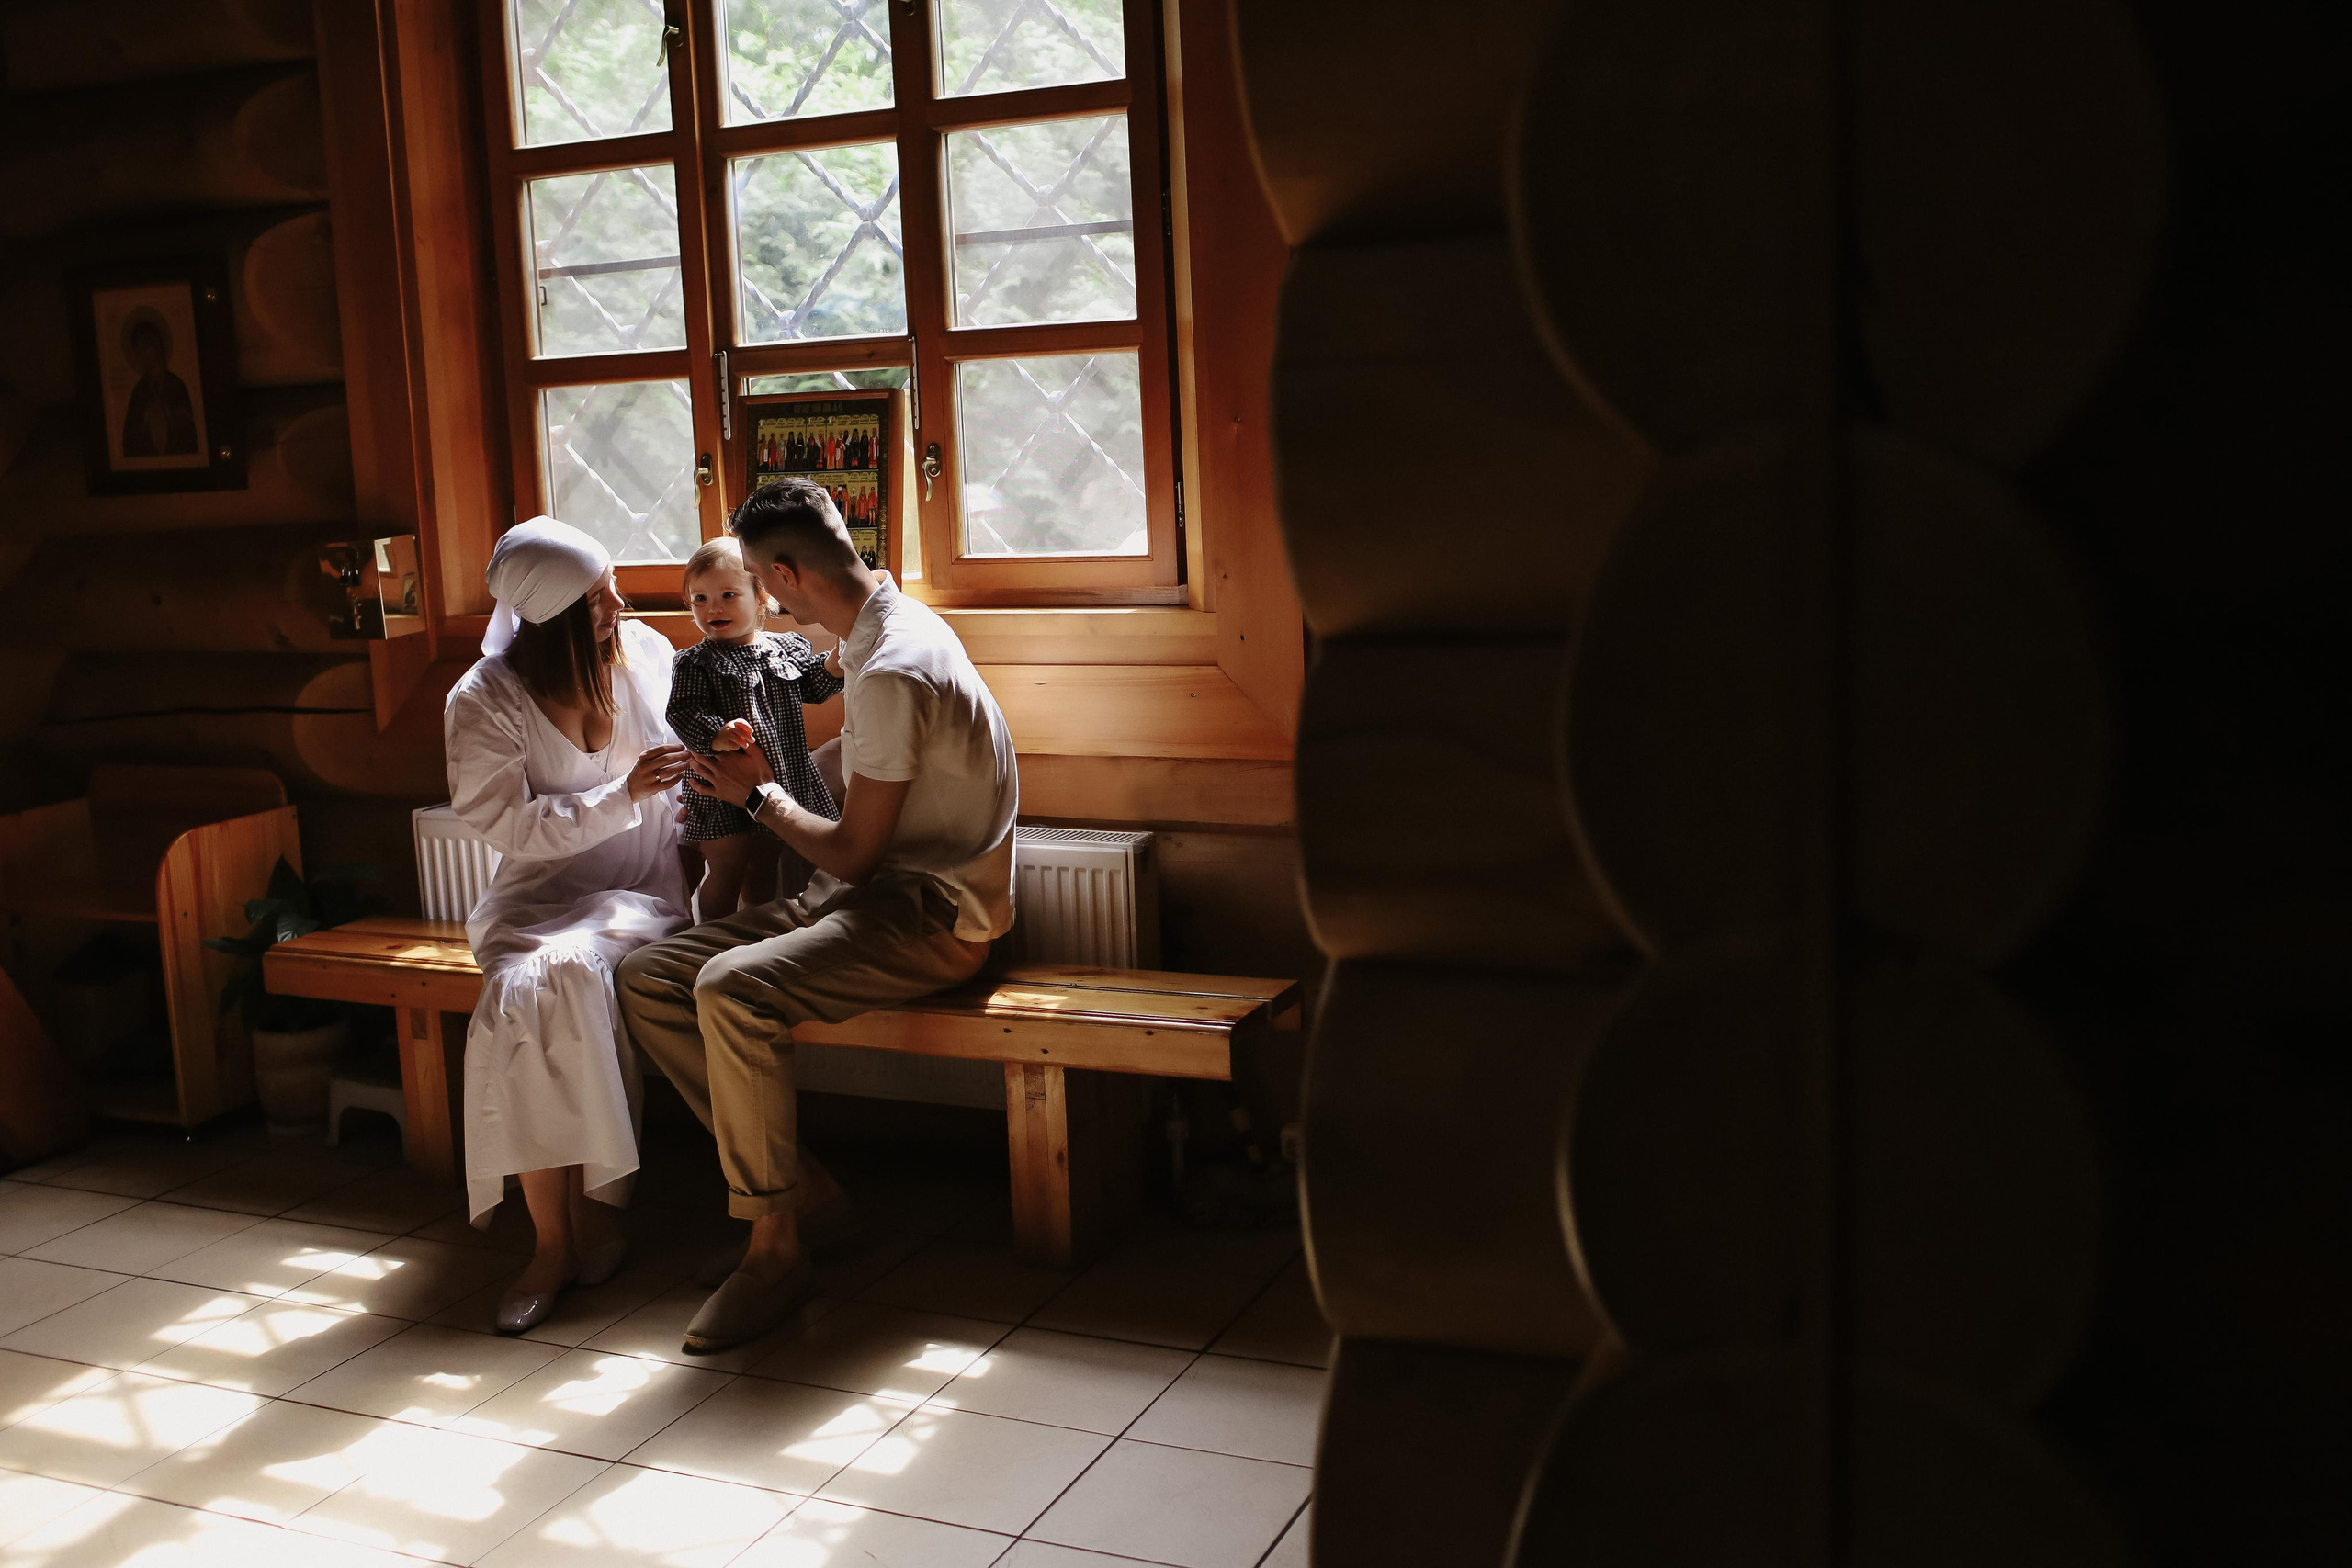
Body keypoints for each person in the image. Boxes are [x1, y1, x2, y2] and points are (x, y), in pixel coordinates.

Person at [616, 476, 1019, 1354]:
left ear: (785, 577)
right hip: (863, 897)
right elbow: (864, 775)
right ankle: (809, 1198)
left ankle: (774, 1248)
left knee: (728, 986)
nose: (762, 603)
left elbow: (851, 853)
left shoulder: (894, 666)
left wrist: (755, 796)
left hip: (931, 913)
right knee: (649, 977)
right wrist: (769, 764)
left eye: (759, 586)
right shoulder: (885, 628)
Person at [444, 516, 694, 1334]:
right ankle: (556, 1236)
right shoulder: (485, 699)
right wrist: (623, 796)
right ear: (547, 624)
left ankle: (598, 1211)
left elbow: (690, 760)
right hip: (536, 897)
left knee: (569, 973)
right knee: (524, 985)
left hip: (640, 887)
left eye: (611, 584)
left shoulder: (645, 658)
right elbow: (507, 827)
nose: (618, 604)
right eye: (596, 600)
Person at [668, 536, 844, 919]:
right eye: (700, 599)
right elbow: (682, 711)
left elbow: (812, 685)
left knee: (765, 867)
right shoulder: (695, 662)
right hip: (719, 787)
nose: (713, 607)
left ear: (761, 596)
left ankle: (753, 931)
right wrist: (715, 731)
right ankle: (712, 934)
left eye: (728, 595)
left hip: (781, 779)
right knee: (727, 867)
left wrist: (834, 663)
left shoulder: (785, 648)